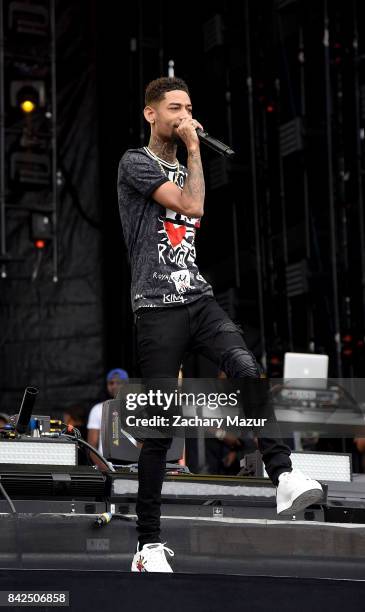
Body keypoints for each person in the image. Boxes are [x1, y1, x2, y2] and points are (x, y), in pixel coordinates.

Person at [117, 76, 323, 573]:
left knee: (246, 366)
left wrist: (192, 152)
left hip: (198, 296)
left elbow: (198, 208)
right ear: (151, 114)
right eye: (174, 107)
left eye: (188, 106)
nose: (184, 114)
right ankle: (147, 546)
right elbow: (190, 206)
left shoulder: (186, 161)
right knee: (160, 427)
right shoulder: (134, 162)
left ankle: (285, 475)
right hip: (157, 306)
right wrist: (192, 146)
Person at [87, 368, 128, 465]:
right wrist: (105, 469)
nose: (114, 386)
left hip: (133, 467)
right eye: (111, 383)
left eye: (119, 383)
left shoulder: (137, 409)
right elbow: (91, 448)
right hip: (107, 466)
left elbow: (142, 445)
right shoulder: (97, 409)